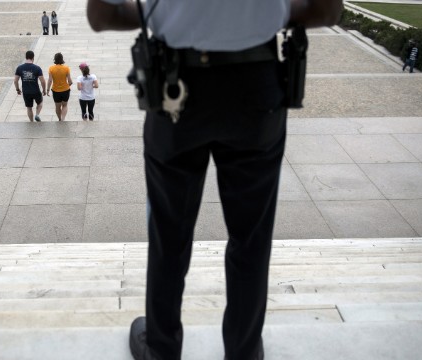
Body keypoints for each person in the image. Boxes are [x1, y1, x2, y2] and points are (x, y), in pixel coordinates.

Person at [87, 1, 343, 359]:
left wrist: (159, 14)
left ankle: (161, 349)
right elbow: (328, 10)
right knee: (251, 240)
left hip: (174, 86)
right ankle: (244, 350)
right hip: (256, 88)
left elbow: (101, 17)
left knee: (169, 235)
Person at [14, 50, 47, 122]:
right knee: (40, 103)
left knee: (29, 108)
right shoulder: (37, 68)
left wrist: (17, 89)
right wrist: (44, 90)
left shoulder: (19, 68)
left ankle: (31, 122)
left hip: (26, 91)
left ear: (26, 57)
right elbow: (42, 81)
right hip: (35, 90)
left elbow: (15, 80)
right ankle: (37, 114)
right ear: (33, 58)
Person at [47, 52, 73, 121]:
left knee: (57, 107)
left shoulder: (51, 68)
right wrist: (69, 84)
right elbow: (69, 81)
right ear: (62, 59)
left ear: (54, 59)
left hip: (56, 91)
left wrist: (47, 90)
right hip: (65, 90)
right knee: (65, 105)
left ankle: (59, 118)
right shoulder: (66, 68)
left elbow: (50, 80)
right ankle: (63, 119)